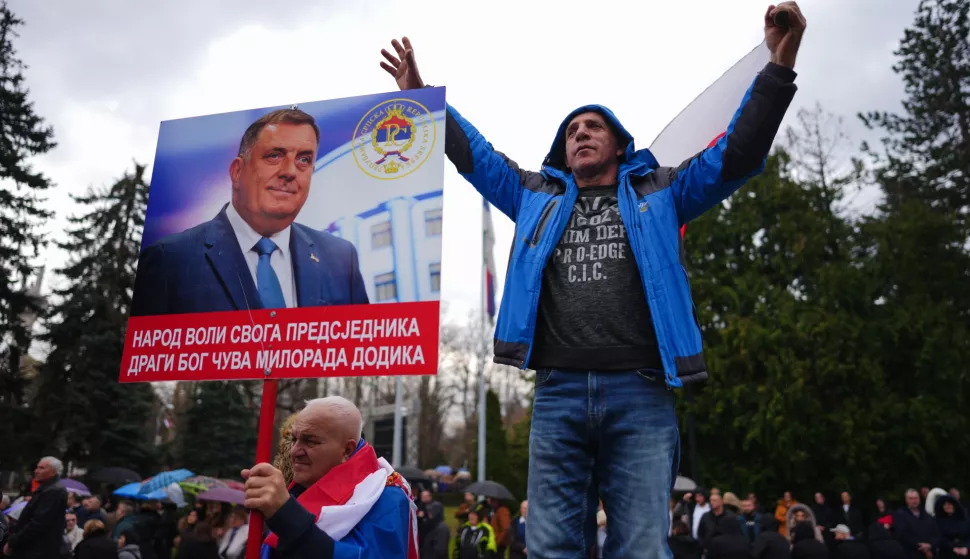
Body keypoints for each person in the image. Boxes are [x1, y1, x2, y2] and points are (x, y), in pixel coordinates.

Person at [379, 1, 804, 556]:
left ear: (619, 143)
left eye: (594, 126)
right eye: (572, 129)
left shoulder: (663, 190)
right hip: (557, 394)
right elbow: (475, 155)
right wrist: (421, 98)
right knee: (552, 546)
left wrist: (779, 62)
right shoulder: (534, 195)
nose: (581, 133)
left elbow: (739, 153)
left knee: (642, 548)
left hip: (642, 392)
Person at [131, 108, 369, 317]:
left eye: (304, 159)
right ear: (237, 172)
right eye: (274, 155)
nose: (290, 171)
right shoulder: (171, 260)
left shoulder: (341, 258)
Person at [243, 396, 417, 558]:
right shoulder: (296, 486)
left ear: (347, 450)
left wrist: (285, 515)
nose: (294, 451)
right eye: (294, 439)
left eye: (310, 441)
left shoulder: (386, 496)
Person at [3, 456, 68, 559]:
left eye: (42, 468)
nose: (36, 471)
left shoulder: (54, 491)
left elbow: (38, 523)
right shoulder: (47, 488)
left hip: (37, 551)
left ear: (53, 471)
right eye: (37, 467)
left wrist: (13, 542)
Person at [893, 489, 942, 559]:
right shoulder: (900, 515)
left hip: (931, 554)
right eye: (911, 498)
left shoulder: (927, 516)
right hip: (910, 554)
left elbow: (937, 534)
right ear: (906, 500)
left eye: (916, 498)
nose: (914, 501)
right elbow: (901, 535)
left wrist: (930, 545)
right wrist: (923, 548)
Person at [932, 494, 969, 559]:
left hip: (965, 553)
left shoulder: (964, 518)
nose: (947, 506)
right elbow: (939, 536)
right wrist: (953, 547)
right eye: (945, 504)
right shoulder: (937, 520)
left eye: (949, 504)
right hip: (946, 553)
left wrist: (966, 547)